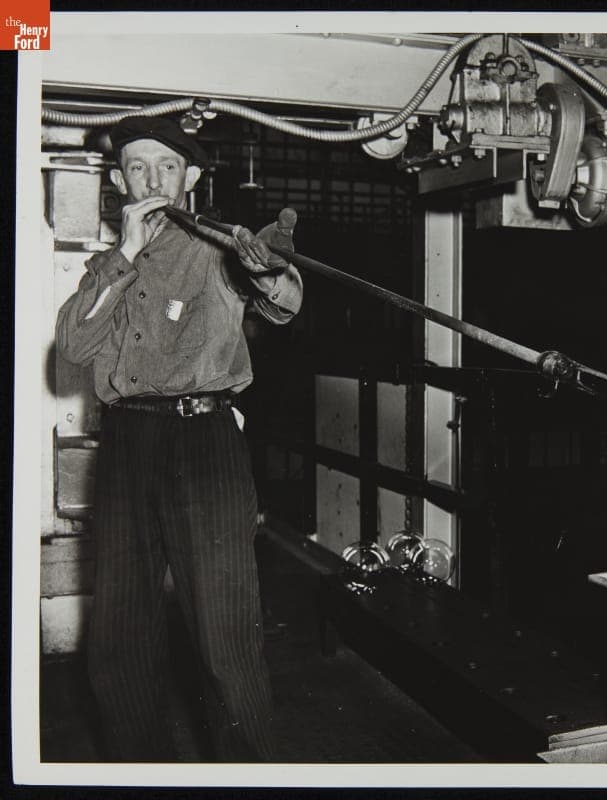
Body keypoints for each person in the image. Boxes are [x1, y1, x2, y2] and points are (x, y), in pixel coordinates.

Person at [55, 115, 303, 762]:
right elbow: (76, 343)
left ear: (190, 178)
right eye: (138, 167)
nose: (152, 178)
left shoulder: (222, 244)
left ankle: (248, 774)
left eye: (167, 166)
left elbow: (284, 300)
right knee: (120, 629)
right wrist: (126, 254)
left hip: (205, 440)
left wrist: (270, 269)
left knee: (225, 632)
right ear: (118, 180)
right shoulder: (111, 263)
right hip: (129, 443)